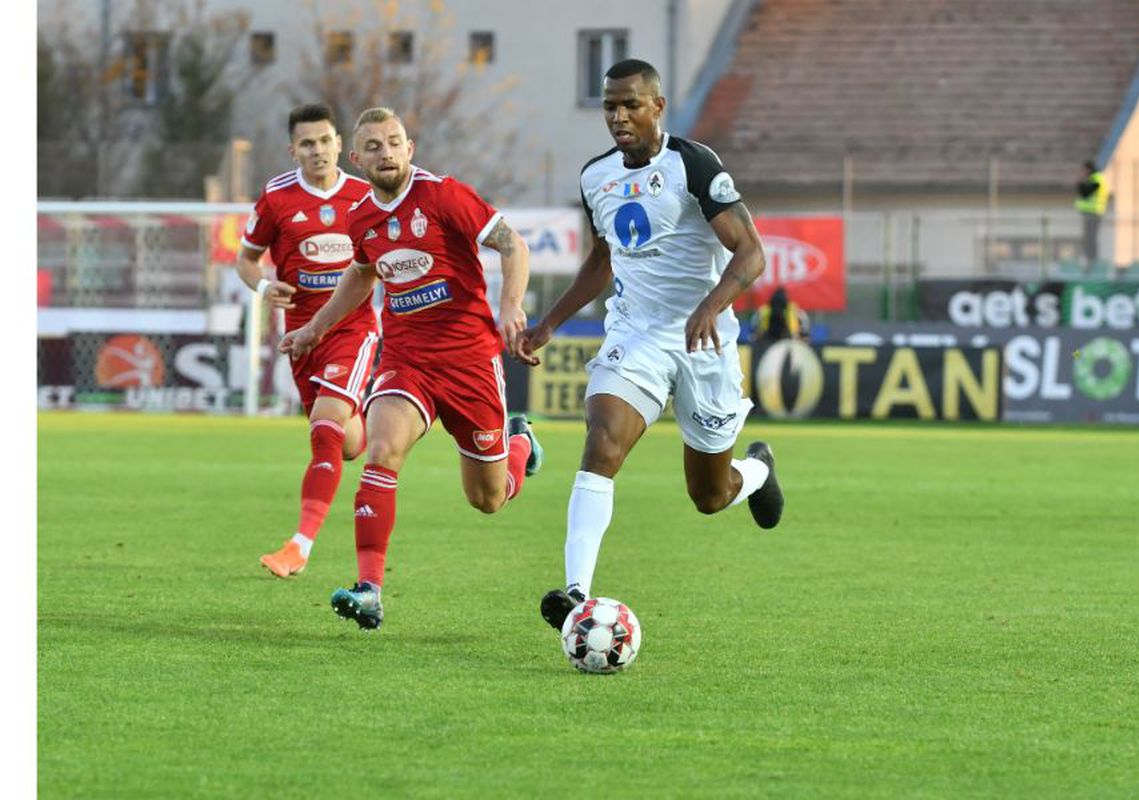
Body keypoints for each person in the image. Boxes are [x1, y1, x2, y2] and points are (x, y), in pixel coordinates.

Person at [514, 59, 786, 631]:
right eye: (610, 105)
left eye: (631, 104)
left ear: (657, 107)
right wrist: (549, 323)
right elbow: (600, 259)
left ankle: (757, 471)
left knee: (709, 496)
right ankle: (576, 592)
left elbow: (752, 253)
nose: (618, 115)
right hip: (635, 334)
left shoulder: (693, 164)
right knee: (602, 443)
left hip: (704, 341)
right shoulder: (596, 177)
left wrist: (710, 307)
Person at [279, 107, 543, 630]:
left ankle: (520, 447)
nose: (386, 153)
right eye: (373, 147)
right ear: (356, 159)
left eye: (394, 142)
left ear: (410, 147)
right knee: (381, 450)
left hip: (470, 360)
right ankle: (370, 589)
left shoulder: (444, 195)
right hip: (407, 360)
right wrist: (314, 330)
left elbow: (513, 244)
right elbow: (360, 276)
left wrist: (511, 306)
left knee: (488, 499)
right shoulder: (361, 216)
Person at [238, 103, 379, 579]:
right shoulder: (276, 197)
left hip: (352, 330)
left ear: (341, 143)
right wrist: (261, 285)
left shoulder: (366, 194)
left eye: (325, 140)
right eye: (307, 143)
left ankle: (299, 545)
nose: (317, 150)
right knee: (347, 444)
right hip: (299, 338)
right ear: (292, 149)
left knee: (324, 427)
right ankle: (397, 410)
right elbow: (246, 259)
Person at [1075, 159, 1110, 270]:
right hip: (1090, 214)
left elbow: (1086, 192)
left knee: (1091, 238)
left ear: (1088, 169)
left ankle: (1092, 261)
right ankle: (1089, 259)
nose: (1082, 172)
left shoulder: (1097, 179)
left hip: (1094, 214)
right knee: (1088, 238)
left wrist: (1080, 184)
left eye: (1084, 170)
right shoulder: (1094, 179)